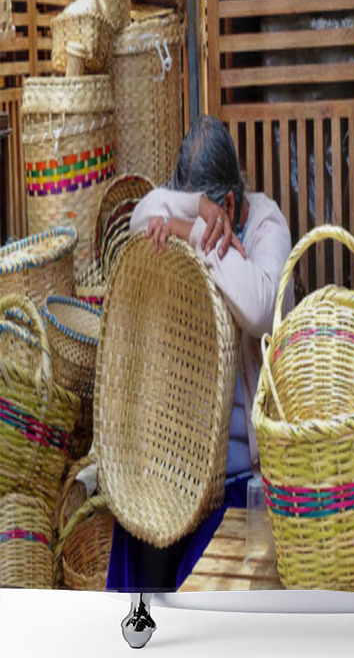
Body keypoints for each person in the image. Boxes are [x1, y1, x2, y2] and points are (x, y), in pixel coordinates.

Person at [106, 114, 294, 592]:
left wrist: (191, 233)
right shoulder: (195, 212)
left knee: (197, 586)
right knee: (135, 534)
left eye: (214, 210)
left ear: (232, 201)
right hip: (180, 460)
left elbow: (258, 308)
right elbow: (140, 216)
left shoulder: (267, 227)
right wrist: (195, 214)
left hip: (238, 478)